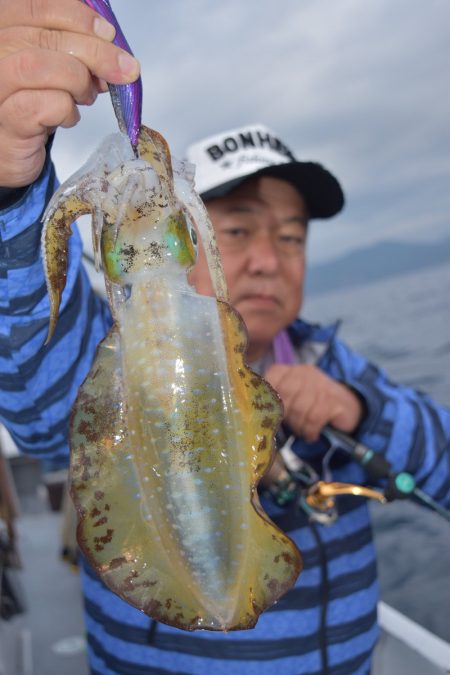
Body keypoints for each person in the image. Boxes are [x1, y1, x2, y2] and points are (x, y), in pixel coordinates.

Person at [0, 3, 449, 674]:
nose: (269, 258)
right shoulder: (112, 355)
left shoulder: (339, 364)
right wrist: (12, 186)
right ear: (186, 236)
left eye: (291, 234)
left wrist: (360, 409)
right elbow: (39, 404)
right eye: (236, 228)